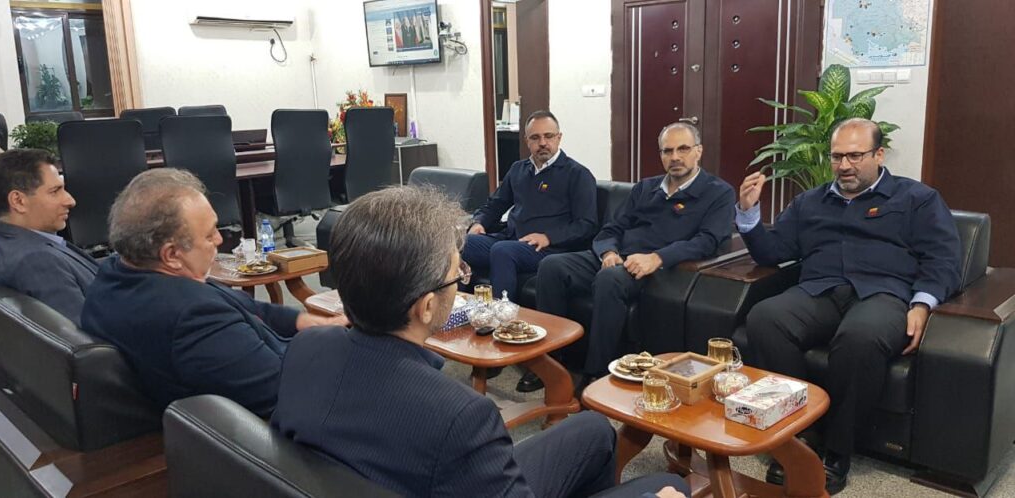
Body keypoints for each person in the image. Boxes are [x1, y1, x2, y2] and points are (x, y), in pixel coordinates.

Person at [273, 186, 690, 498]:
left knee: (594, 429)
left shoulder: (307, 348)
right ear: (426, 307)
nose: (461, 282)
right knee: (668, 485)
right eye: (457, 275)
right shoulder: (460, 416)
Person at [736, 118, 961, 494]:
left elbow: (943, 259)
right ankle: (800, 435)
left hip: (884, 294)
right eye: (837, 156)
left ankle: (837, 451)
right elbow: (772, 252)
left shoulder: (916, 199)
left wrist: (922, 304)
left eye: (855, 156)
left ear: (879, 155)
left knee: (860, 337)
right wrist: (748, 212)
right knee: (765, 318)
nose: (844, 165)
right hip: (820, 290)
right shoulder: (809, 202)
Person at [82, 168, 345, 417]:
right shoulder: (192, 317)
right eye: (209, 236)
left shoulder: (118, 273)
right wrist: (338, 349)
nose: (219, 240)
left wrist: (304, 321)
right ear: (171, 254)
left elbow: (243, 304)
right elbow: (281, 389)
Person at [536, 123, 735, 390]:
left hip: (659, 268)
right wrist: (608, 251)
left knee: (609, 280)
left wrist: (657, 258)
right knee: (552, 266)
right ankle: (549, 363)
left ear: (698, 151)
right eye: (667, 151)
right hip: (619, 258)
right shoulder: (645, 188)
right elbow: (612, 228)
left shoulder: (718, 192)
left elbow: (708, 241)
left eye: (683, 149)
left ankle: (595, 377)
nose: (675, 157)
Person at [464, 110, 598, 300]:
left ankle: (502, 314)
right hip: (512, 238)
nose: (542, 143)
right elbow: (496, 204)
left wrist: (548, 237)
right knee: (461, 242)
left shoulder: (578, 174)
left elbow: (586, 224)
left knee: (503, 251)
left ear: (559, 138)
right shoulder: (518, 169)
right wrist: (479, 222)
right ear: (527, 141)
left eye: (548, 136)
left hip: (548, 248)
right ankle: (455, 309)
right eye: (535, 138)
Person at [0, 148, 98, 326]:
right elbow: (87, 335)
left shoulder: (3, 244)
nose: (70, 201)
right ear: (18, 201)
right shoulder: (37, 262)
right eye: (55, 191)